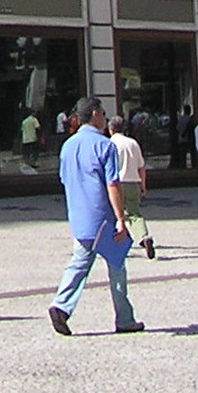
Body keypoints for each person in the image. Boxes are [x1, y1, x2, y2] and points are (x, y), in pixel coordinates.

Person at [48, 97, 140, 335]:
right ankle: (124, 319)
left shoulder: (68, 145)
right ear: (96, 114)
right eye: (103, 112)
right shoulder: (105, 145)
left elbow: (64, 179)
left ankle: (61, 305)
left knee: (80, 262)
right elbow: (112, 184)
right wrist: (120, 218)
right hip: (102, 216)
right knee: (117, 265)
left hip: (79, 215)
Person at [109, 115, 153, 260]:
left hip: (117, 183)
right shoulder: (133, 143)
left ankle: (120, 242)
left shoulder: (110, 144)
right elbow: (141, 167)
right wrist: (143, 185)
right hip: (133, 181)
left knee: (115, 214)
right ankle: (144, 236)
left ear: (111, 129)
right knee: (135, 214)